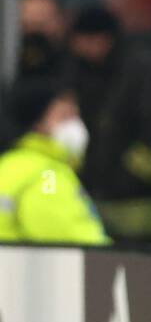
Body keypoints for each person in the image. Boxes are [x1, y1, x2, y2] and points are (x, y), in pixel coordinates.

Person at [68, 3, 151, 243]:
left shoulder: (140, 71)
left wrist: (136, 168)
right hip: (101, 196)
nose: (78, 49)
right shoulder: (84, 73)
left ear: (102, 39)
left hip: (140, 202)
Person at [0, 78, 108, 244]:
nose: (75, 124)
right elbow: (65, 235)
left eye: (76, 114)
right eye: (65, 116)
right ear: (37, 123)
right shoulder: (47, 175)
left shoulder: (9, 164)